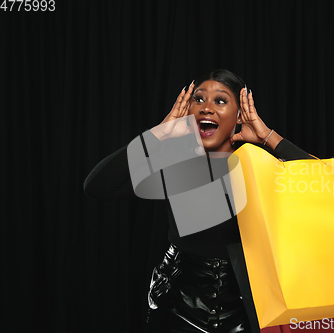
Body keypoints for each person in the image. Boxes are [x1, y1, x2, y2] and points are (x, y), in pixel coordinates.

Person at [84, 69, 313, 332]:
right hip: (176, 304)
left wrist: (267, 137)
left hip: (248, 307)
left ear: (239, 115)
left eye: (220, 101)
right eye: (199, 99)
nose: (207, 108)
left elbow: (327, 187)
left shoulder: (260, 164)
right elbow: (98, 186)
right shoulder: (173, 159)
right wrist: (157, 135)